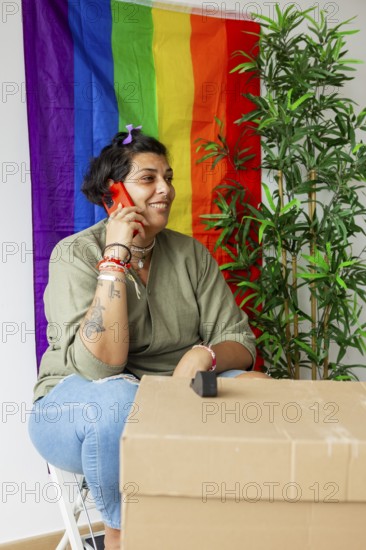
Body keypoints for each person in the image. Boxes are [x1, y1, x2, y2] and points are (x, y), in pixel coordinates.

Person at [29, 128, 268, 549]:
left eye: (169, 177)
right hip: (79, 408)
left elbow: (241, 344)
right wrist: (114, 257)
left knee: (256, 391)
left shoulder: (190, 254)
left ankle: (237, 532)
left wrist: (203, 354)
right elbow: (100, 366)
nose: (167, 189)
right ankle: (123, 537)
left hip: (175, 399)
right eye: (148, 179)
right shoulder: (75, 254)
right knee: (122, 401)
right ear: (113, 194)